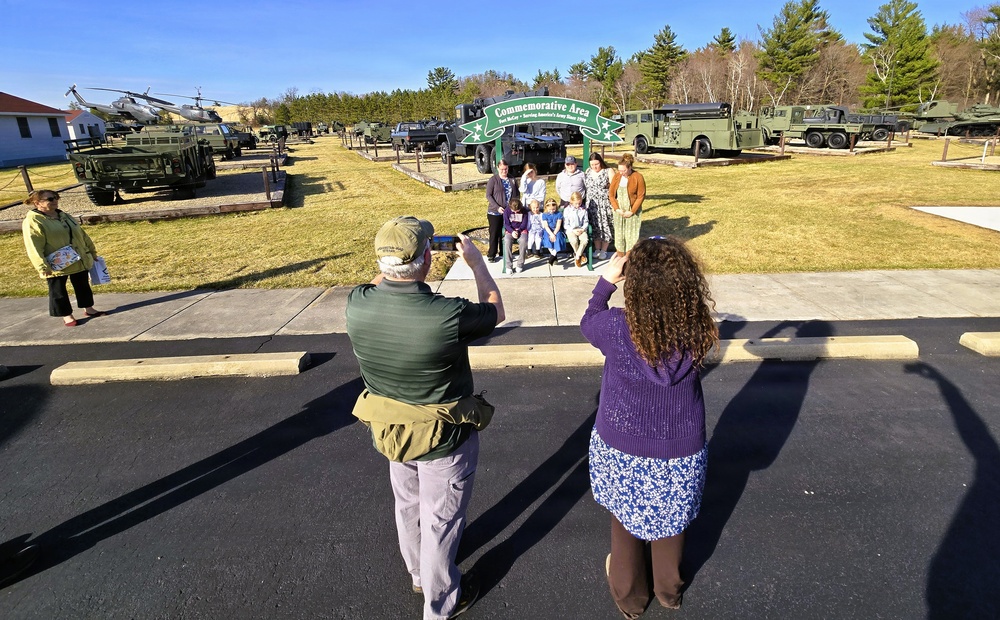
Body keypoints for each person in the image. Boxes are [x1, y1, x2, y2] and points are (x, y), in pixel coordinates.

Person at [346, 216, 504, 620]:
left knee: (408, 505)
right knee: (441, 520)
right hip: (443, 438)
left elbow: (383, 283)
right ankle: (440, 604)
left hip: (391, 432)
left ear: (381, 264)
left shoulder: (357, 304)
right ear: (429, 258)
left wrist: (394, 266)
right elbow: (495, 310)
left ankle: (418, 573)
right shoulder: (445, 315)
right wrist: (476, 264)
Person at [581, 237, 718, 619]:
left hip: (621, 444)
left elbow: (588, 319)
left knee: (624, 523)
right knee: (672, 525)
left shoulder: (616, 329)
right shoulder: (697, 330)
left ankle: (630, 599)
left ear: (634, 285)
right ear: (687, 285)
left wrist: (607, 281)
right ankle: (669, 591)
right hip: (680, 449)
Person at [21, 189, 107, 327]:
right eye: (50, 199)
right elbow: (33, 246)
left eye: (56, 197)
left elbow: (81, 234)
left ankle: (89, 309)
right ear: (37, 203)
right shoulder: (33, 221)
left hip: (77, 258)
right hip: (56, 263)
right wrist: (42, 266)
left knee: (82, 285)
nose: (55, 200)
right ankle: (67, 315)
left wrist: (91, 251)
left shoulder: (64, 215)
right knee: (58, 290)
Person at [608, 153, 646, 257]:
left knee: (631, 237)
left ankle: (630, 258)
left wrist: (632, 211)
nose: (621, 172)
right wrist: (617, 209)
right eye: (619, 170)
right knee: (619, 236)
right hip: (619, 211)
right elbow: (611, 195)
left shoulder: (638, 177)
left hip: (631, 212)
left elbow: (640, 196)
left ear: (630, 167)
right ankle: (620, 259)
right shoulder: (617, 177)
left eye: (623, 170)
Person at [485, 159, 519, 263]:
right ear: (498, 168)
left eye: (506, 169)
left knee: (508, 232)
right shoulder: (493, 180)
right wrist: (497, 207)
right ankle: (492, 254)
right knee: (495, 233)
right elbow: (488, 195)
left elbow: (516, 193)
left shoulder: (512, 179)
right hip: (495, 212)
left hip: (509, 212)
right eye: (502, 169)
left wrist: (515, 206)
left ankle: (503, 252)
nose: (504, 171)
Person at [584, 152, 614, 259]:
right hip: (591, 204)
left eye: (596, 164)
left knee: (605, 225)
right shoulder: (587, 172)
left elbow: (613, 188)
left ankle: (604, 250)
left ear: (600, 162)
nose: (594, 167)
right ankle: (597, 249)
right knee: (595, 226)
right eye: (592, 165)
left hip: (604, 203)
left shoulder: (608, 171)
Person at [563, 191, 590, 268]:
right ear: (571, 202)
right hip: (571, 229)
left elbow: (586, 221)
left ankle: (577, 256)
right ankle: (580, 255)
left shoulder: (583, 210)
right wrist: (573, 230)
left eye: (579, 203)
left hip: (581, 229)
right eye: (576, 203)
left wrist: (582, 229)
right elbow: (566, 224)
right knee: (573, 240)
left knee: (585, 240)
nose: (578, 205)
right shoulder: (567, 210)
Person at [503, 197, 529, 274]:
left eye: (517, 211)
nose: (516, 212)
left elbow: (524, 223)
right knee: (507, 241)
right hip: (510, 231)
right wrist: (512, 231)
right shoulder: (507, 211)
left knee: (523, 241)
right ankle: (508, 266)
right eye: (514, 211)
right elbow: (506, 224)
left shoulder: (524, 211)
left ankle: (520, 264)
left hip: (521, 230)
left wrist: (518, 231)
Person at [540, 198, 567, 266]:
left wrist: (554, 234)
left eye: (553, 209)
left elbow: (558, 225)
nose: (552, 211)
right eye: (550, 209)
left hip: (556, 230)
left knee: (558, 238)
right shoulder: (544, 215)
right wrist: (551, 234)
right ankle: (553, 255)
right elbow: (546, 226)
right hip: (548, 230)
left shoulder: (559, 214)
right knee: (547, 239)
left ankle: (552, 256)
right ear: (546, 208)